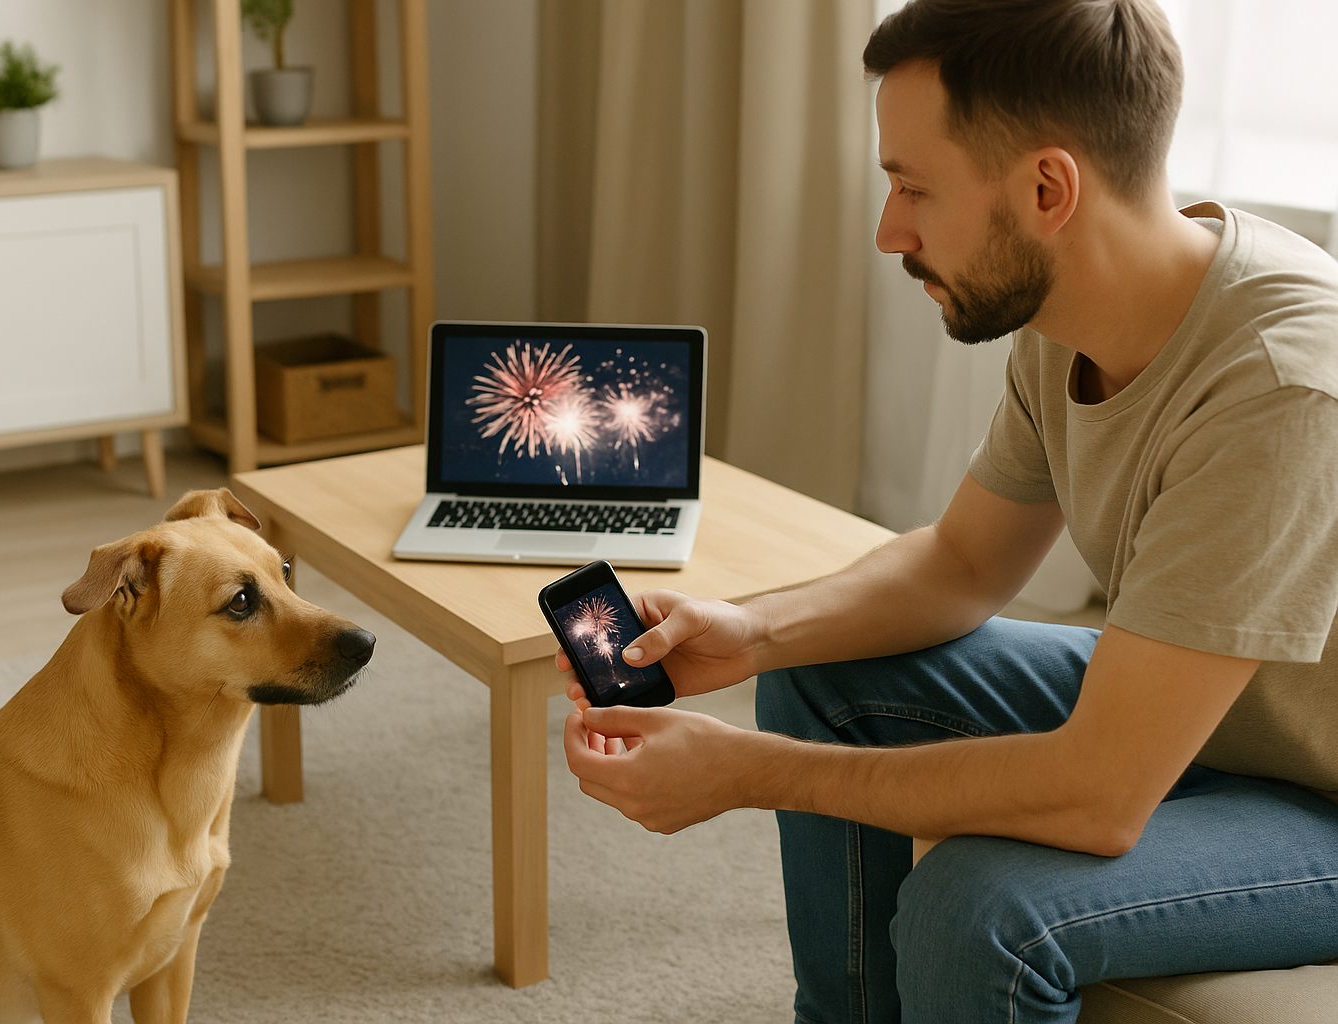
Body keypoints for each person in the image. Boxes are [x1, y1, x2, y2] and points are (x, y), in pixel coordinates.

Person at [558, 2, 1338, 1022]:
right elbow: (966, 563)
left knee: (975, 909)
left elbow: (1098, 795)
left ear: (1049, 189)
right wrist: (754, 635)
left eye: (912, 187)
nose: (889, 233)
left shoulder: (1284, 386)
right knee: (821, 672)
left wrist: (749, 772)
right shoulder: (1069, 314)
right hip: (1206, 709)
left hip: (1317, 788)